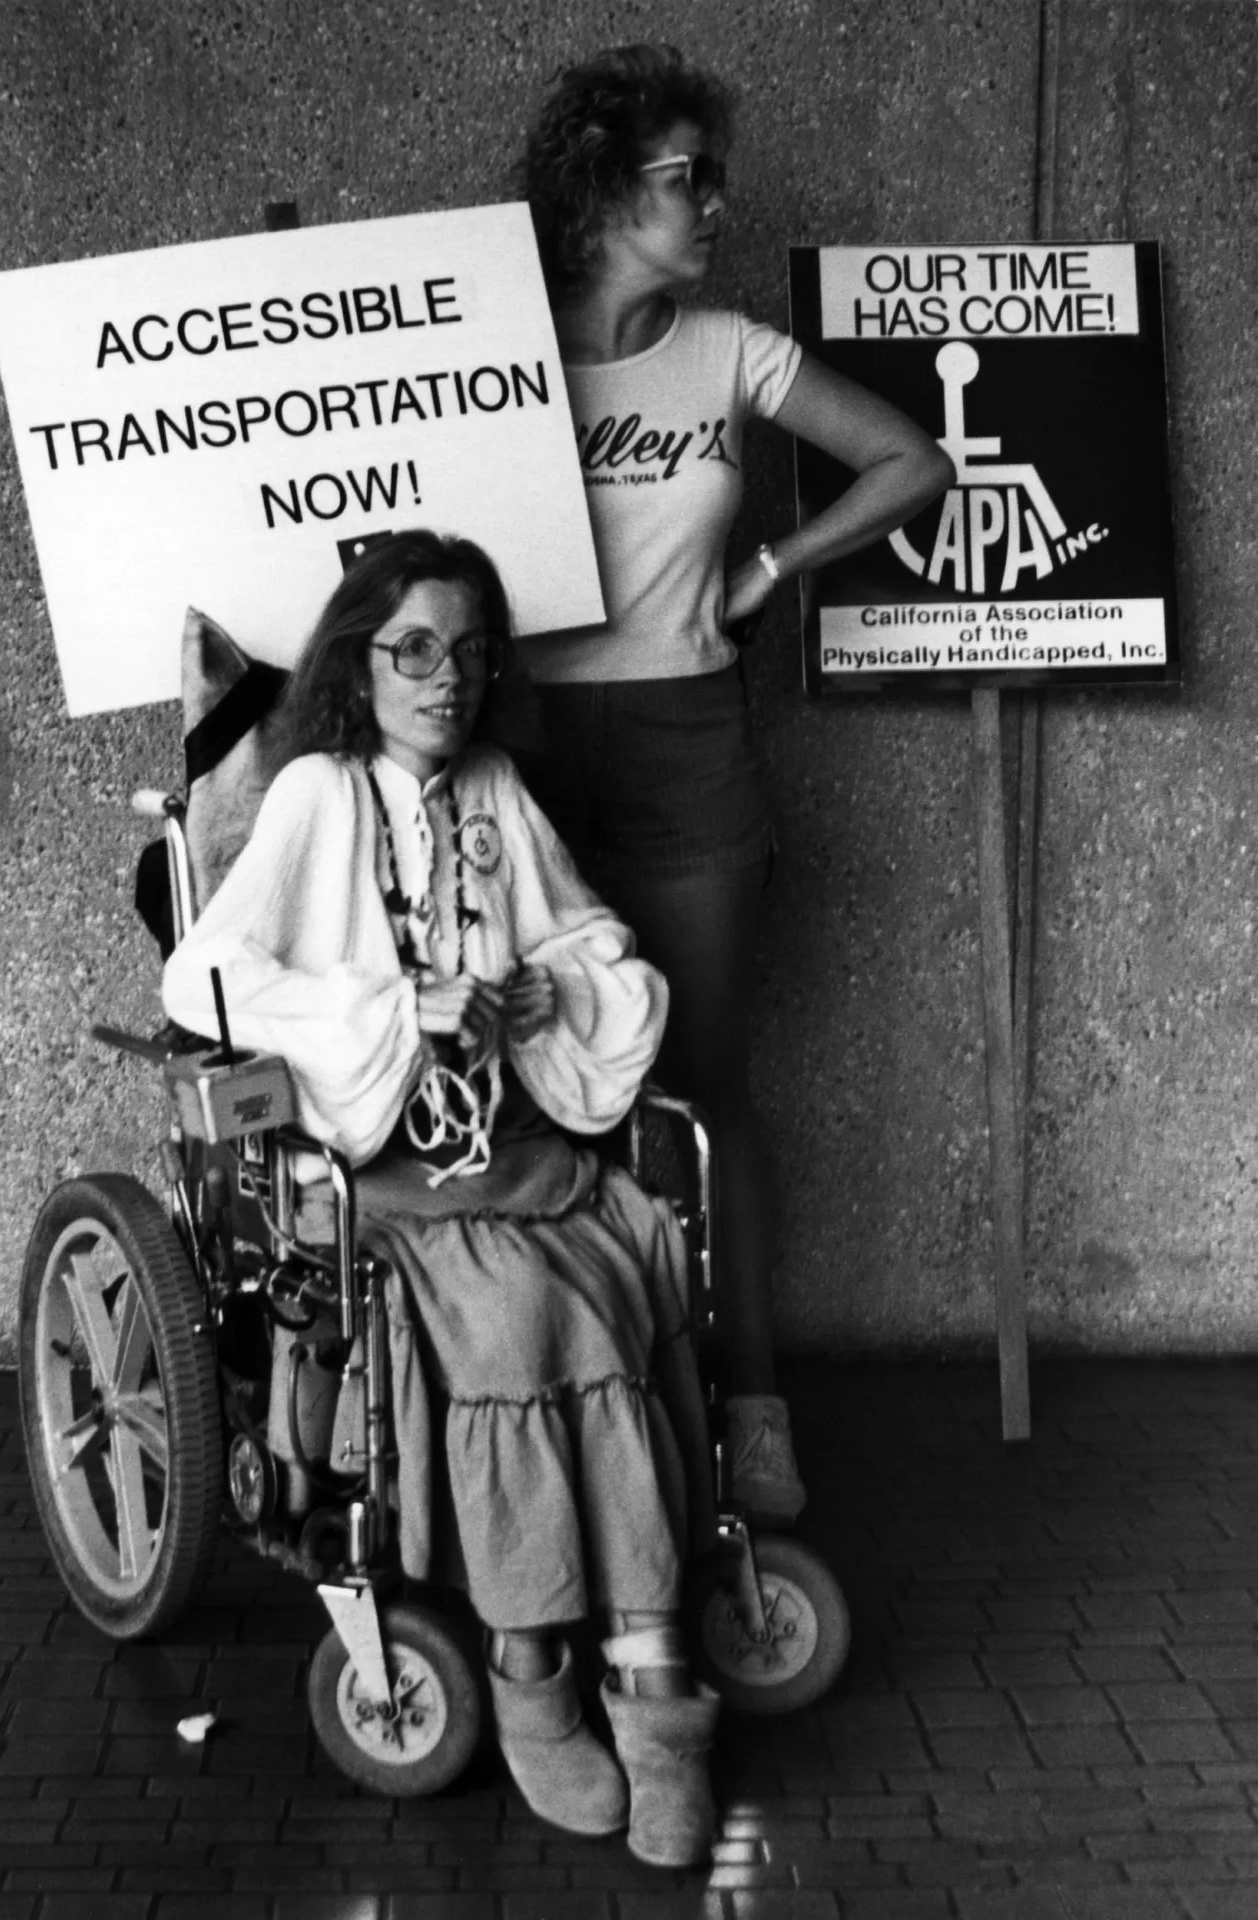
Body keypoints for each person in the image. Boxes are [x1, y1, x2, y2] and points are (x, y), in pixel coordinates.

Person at [161, 530, 719, 1869]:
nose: (445, 677)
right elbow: (202, 981)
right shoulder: (315, 796)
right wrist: (388, 1004)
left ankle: (653, 1690)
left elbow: (595, 944)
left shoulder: (500, 793)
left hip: (512, 1151)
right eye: (413, 649)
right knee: (537, 1312)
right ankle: (534, 1669)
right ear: (362, 660)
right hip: (388, 1177)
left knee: (625, 1260)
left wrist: (550, 993)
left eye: (468, 651)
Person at [516, 44, 955, 1523]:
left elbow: (912, 462)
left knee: (705, 1093)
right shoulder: (490, 353)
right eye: (682, 176)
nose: (713, 203)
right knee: (539, 1099)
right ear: (594, 192)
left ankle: (755, 1413)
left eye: (715, 174)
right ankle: (590, 1414)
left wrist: (769, 563)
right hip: (521, 757)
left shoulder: (731, 353)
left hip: (693, 742)